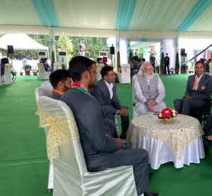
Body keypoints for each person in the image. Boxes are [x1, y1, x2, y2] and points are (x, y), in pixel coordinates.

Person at [60, 56, 156, 196]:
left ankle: (135, 176)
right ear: (86, 74)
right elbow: (101, 144)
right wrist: (117, 144)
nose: (96, 75)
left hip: (78, 153)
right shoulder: (89, 102)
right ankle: (139, 193)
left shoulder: (67, 96)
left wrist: (112, 140)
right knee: (142, 154)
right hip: (94, 158)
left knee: (125, 144)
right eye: (94, 72)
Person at [91, 66, 129, 139]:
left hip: (110, 105)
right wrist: (118, 111)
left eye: (114, 74)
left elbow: (114, 98)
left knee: (125, 110)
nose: (115, 77)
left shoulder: (113, 84)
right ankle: (113, 137)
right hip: (102, 109)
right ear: (105, 77)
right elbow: (101, 106)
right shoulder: (98, 87)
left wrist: (121, 109)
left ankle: (124, 134)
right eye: (112, 75)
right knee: (112, 116)